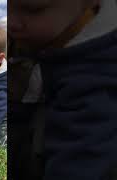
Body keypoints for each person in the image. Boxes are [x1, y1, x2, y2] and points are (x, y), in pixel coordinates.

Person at [9, 0, 117, 180]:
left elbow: (80, 161)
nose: (11, 23)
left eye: (32, 9)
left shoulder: (94, 77)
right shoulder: (54, 22)